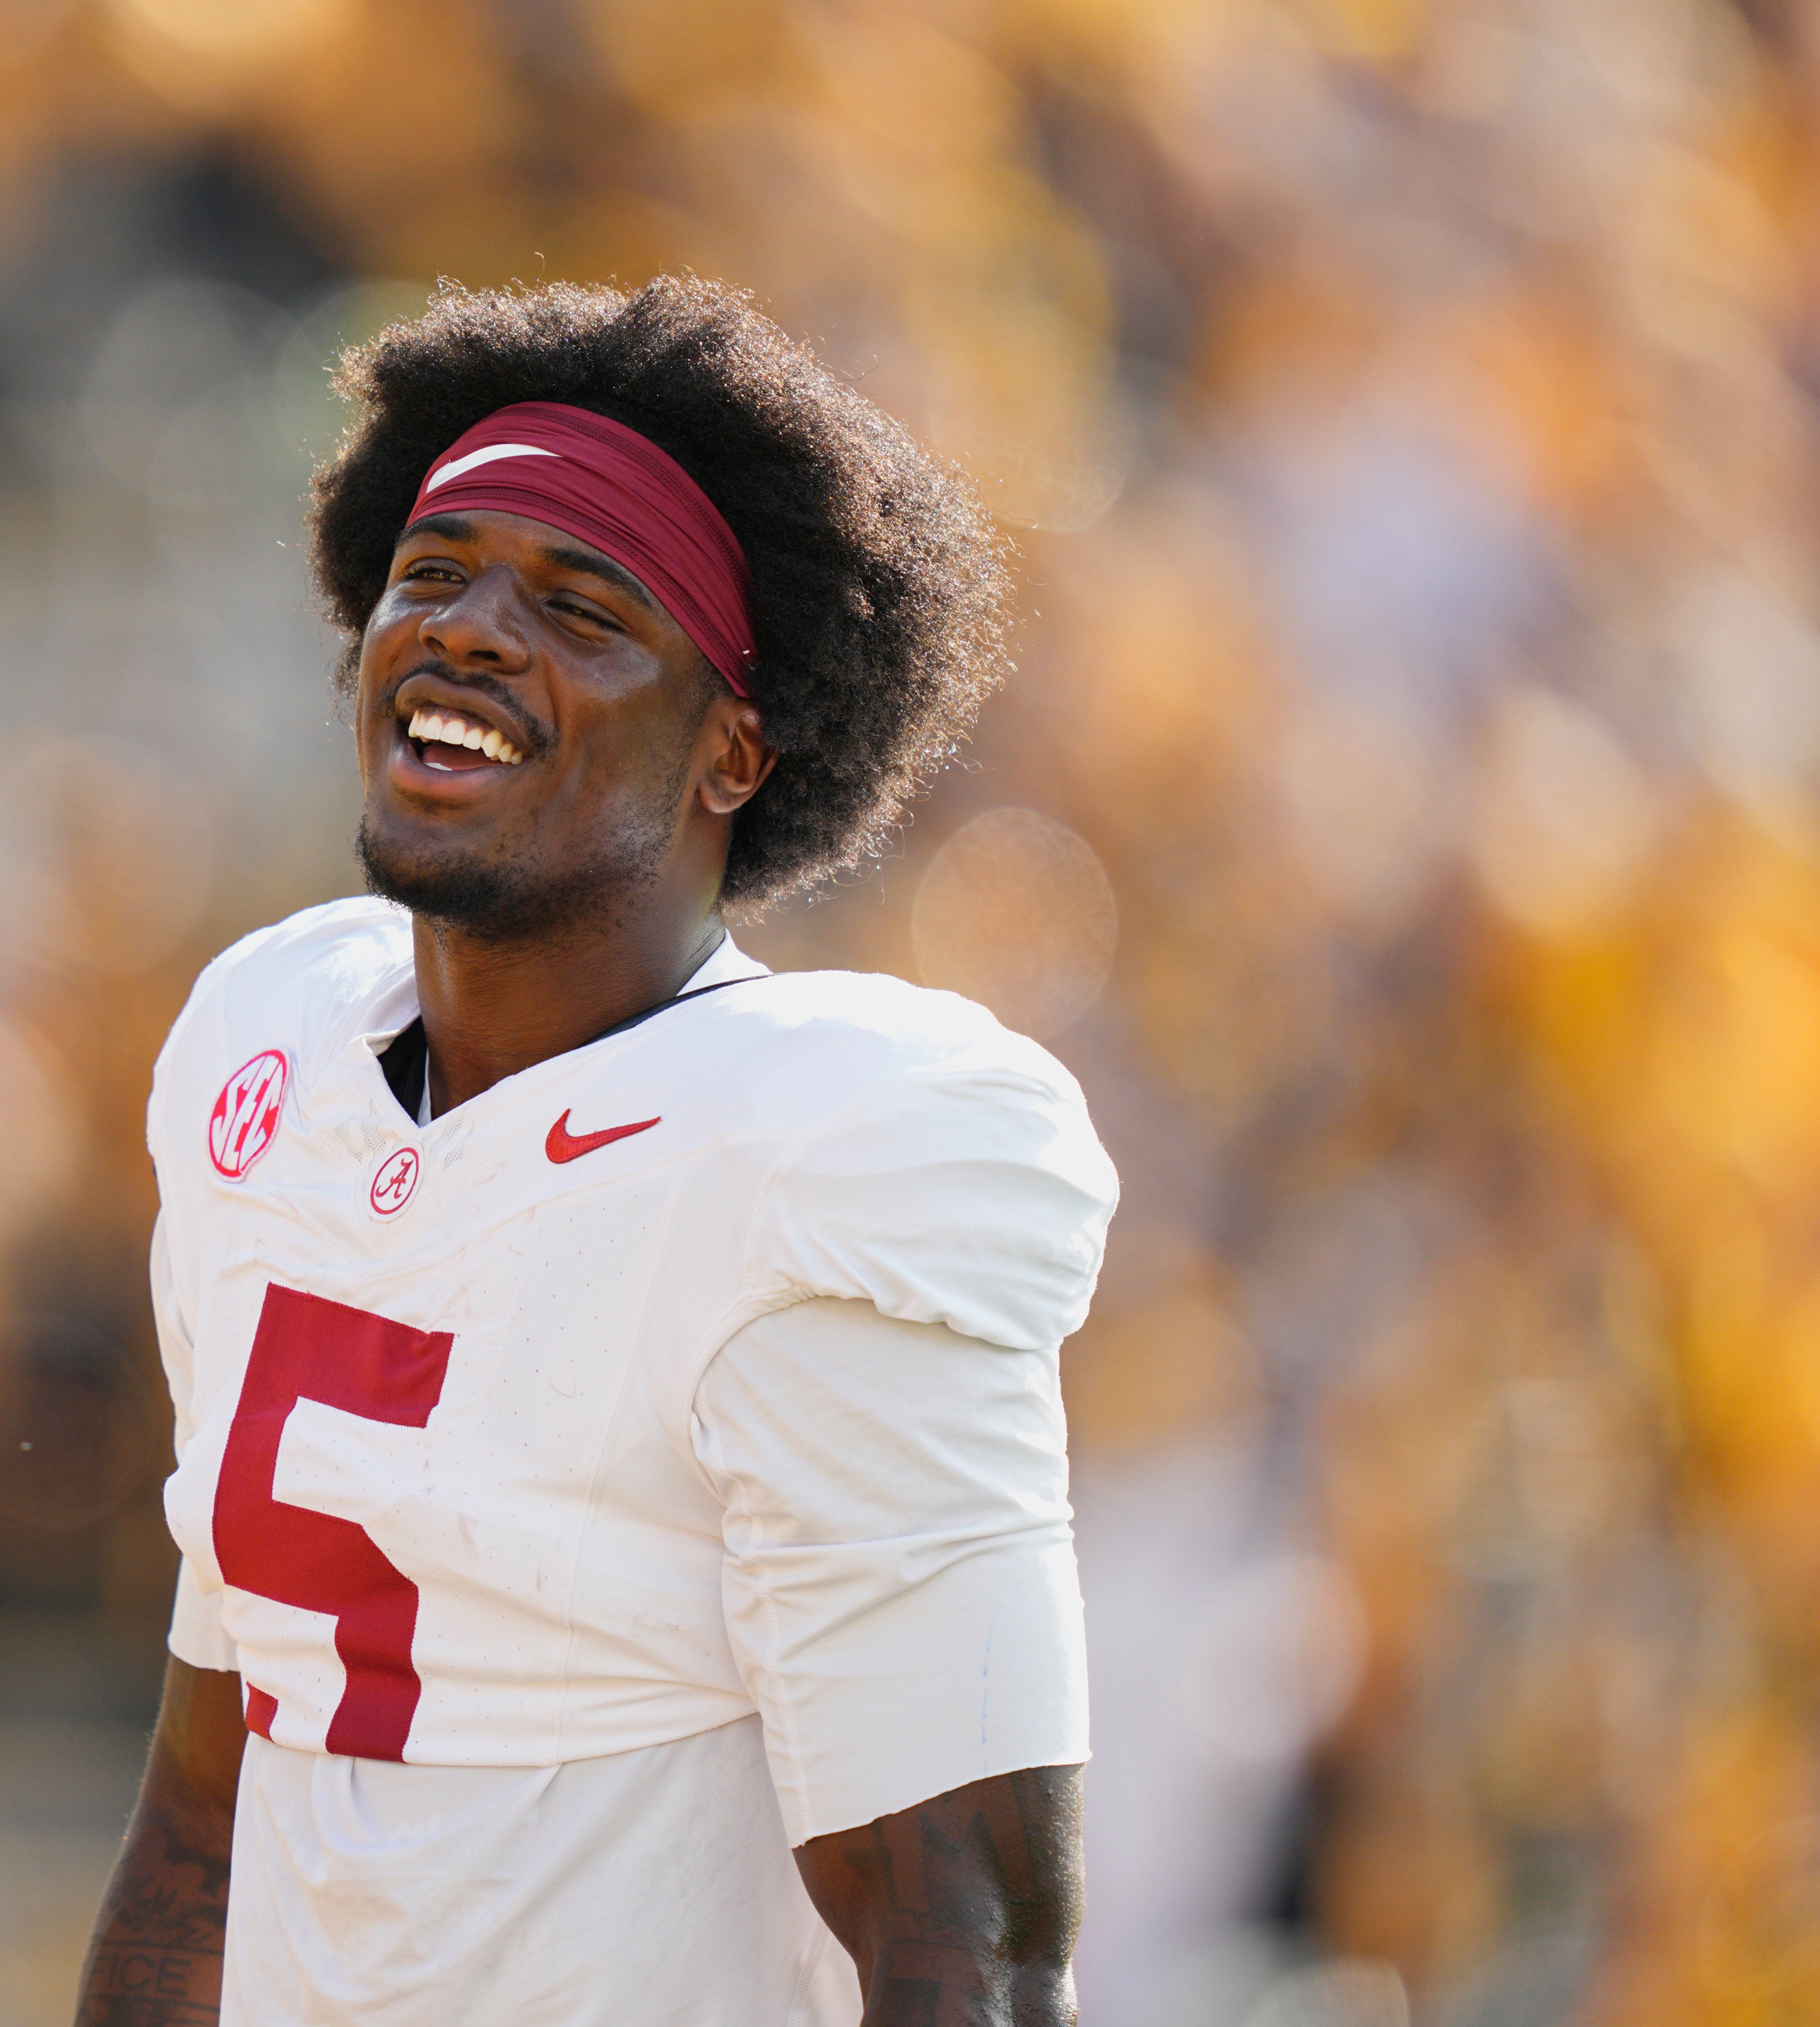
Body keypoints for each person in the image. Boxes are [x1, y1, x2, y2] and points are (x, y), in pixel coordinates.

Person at [74, 277, 1120, 2027]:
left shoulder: (821, 1148)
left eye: (580, 607)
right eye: (432, 571)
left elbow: (968, 1941)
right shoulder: (271, 1052)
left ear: (733, 745)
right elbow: (208, 1813)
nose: (473, 629)